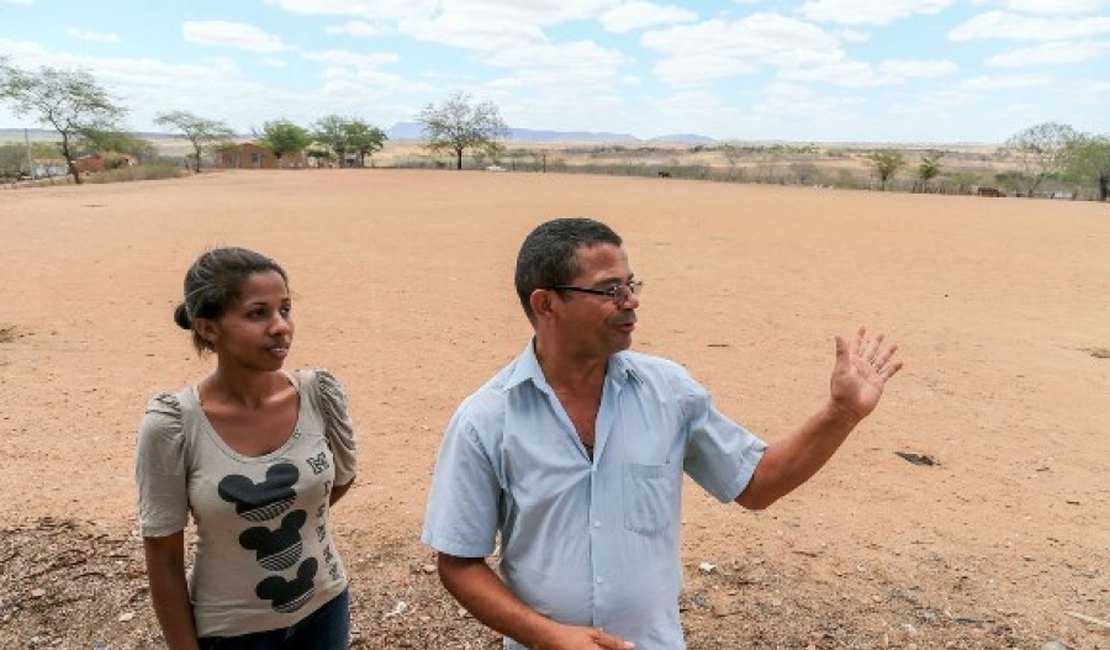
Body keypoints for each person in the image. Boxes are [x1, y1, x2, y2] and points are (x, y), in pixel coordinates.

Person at [421, 217, 903, 650]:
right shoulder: (487, 418)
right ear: (546, 304)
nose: (631, 302)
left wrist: (841, 413)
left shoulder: (669, 393)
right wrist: (550, 638)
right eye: (609, 290)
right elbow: (458, 562)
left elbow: (757, 485)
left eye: (631, 284)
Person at [135, 247, 358, 650]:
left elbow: (342, 478)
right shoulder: (174, 425)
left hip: (326, 609)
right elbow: (163, 558)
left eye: (285, 309)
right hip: (231, 633)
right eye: (258, 313)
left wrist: (280, 518)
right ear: (208, 328)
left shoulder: (319, 395)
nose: (280, 327)